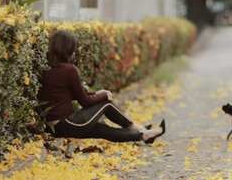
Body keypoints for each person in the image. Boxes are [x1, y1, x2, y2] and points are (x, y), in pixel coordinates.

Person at [38, 30, 166, 144]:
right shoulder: (69, 70)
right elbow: (85, 102)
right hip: (67, 123)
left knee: (102, 130)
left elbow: (74, 95)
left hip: (53, 127)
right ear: (69, 49)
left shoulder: (48, 68)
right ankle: (138, 128)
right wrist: (104, 95)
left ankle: (144, 135)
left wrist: (97, 93)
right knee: (106, 104)